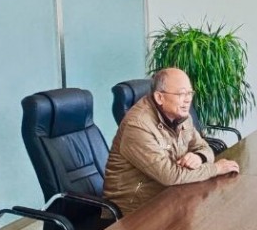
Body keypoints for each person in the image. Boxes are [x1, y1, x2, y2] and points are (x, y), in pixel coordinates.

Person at [103, 67, 240, 215]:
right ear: (159, 97)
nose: (188, 99)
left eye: (190, 93)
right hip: (133, 210)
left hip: (170, 197)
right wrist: (216, 169)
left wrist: (199, 157)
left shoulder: (181, 116)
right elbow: (169, 175)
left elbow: (203, 146)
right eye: (181, 94)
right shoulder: (138, 125)